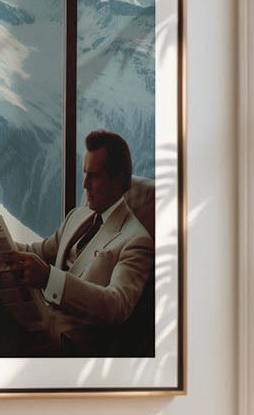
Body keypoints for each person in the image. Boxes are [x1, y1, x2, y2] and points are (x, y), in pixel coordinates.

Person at [11, 129, 153, 354]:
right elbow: (37, 251)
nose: (85, 184)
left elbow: (116, 305)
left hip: (69, 347)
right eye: (84, 173)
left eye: (94, 176)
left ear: (118, 179)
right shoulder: (77, 216)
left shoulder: (137, 241)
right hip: (37, 325)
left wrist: (50, 278)